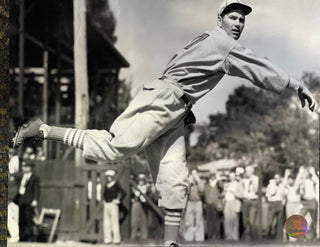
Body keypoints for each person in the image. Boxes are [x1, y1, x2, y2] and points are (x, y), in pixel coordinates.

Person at [12, 0, 317, 246]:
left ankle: (170, 244)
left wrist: (182, 104)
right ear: (220, 18)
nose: (238, 23)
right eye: (233, 16)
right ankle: (44, 129)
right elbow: (256, 67)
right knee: (114, 148)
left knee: (175, 179)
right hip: (165, 100)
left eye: (242, 19)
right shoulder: (222, 42)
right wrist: (294, 84)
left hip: (176, 109)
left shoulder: (207, 40)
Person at [13, 162, 40, 242]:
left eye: (27, 167)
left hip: (29, 200)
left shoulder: (35, 178)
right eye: (25, 167)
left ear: (31, 168)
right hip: (21, 200)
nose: (26, 168)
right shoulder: (21, 176)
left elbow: (37, 190)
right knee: (21, 219)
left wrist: (35, 200)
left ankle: (30, 237)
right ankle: (21, 237)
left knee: (29, 219)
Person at [102, 169, 126, 245]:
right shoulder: (106, 185)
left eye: (110, 176)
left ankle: (116, 240)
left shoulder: (115, 184)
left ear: (112, 177)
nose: (108, 178)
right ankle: (107, 239)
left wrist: (118, 200)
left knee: (114, 222)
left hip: (113, 205)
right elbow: (104, 194)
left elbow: (123, 193)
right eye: (107, 177)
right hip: (107, 205)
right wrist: (104, 201)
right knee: (106, 223)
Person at [182, 169, 205, 242]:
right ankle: (189, 237)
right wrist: (189, 183)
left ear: (198, 174)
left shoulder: (201, 181)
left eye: (195, 173)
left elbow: (202, 190)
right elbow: (185, 192)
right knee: (189, 221)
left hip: (198, 203)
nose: (194, 175)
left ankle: (199, 238)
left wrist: (198, 181)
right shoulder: (188, 182)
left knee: (199, 221)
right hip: (190, 203)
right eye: (193, 174)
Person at [204, 170, 224, 240]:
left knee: (217, 221)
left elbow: (222, 187)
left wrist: (218, 178)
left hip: (216, 204)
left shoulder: (218, 183)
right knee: (209, 221)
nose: (212, 176)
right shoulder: (206, 183)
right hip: (208, 204)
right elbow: (204, 194)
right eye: (211, 174)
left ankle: (217, 236)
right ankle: (210, 236)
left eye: (213, 174)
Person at [265, 173, 285, 240]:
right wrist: (275, 186)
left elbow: (283, 194)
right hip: (272, 203)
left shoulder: (282, 185)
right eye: (275, 178)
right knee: (270, 221)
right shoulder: (270, 185)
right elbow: (271, 193)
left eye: (278, 178)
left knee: (279, 221)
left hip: (279, 203)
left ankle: (278, 237)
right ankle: (268, 235)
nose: (277, 180)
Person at [241, 165, 259, 240]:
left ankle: (253, 237)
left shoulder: (256, 178)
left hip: (253, 201)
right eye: (246, 171)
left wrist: (252, 182)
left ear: (252, 172)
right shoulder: (244, 180)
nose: (246, 172)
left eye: (248, 171)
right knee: (245, 220)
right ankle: (247, 235)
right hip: (245, 200)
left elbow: (256, 190)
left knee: (252, 220)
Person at [223, 172, 242, 240]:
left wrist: (231, 190)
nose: (231, 177)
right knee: (227, 220)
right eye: (230, 176)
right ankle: (228, 236)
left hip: (234, 201)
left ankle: (235, 235)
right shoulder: (226, 184)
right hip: (227, 202)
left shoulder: (237, 184)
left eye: (233, 176)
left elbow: (240, 193)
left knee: (234, 220)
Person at [131, 173, 149, 240]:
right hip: (136, 203)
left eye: (142, 180)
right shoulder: (135, 187)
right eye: (140, 180)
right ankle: (133, 236)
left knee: (143, 220)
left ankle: (144, 236)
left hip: (144, 205)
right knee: (134, 221)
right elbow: (134, 195)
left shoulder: (146, 187)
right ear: (138, 180)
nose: (141, 181)